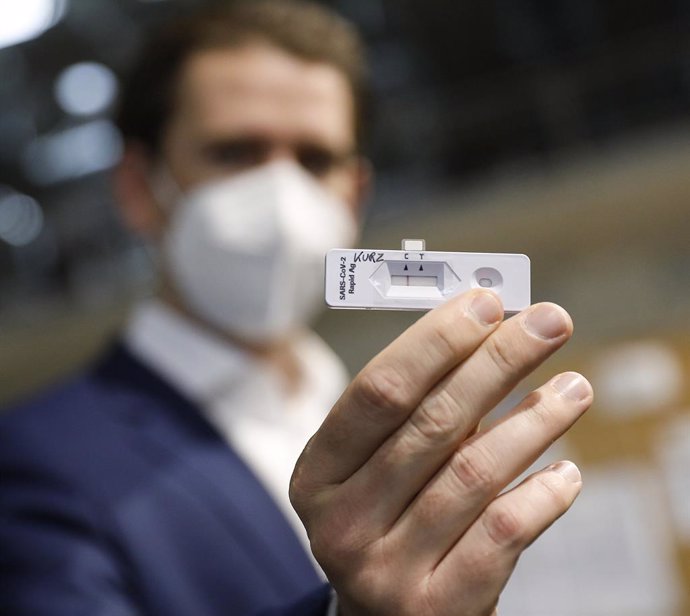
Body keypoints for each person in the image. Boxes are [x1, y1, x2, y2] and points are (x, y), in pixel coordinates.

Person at [0, 1, 593, 615]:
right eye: (235, 152)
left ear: (354, 194)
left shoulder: (381, 413)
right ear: (137, 188)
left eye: (315, 160)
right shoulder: (32, 464)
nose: (281, 197)